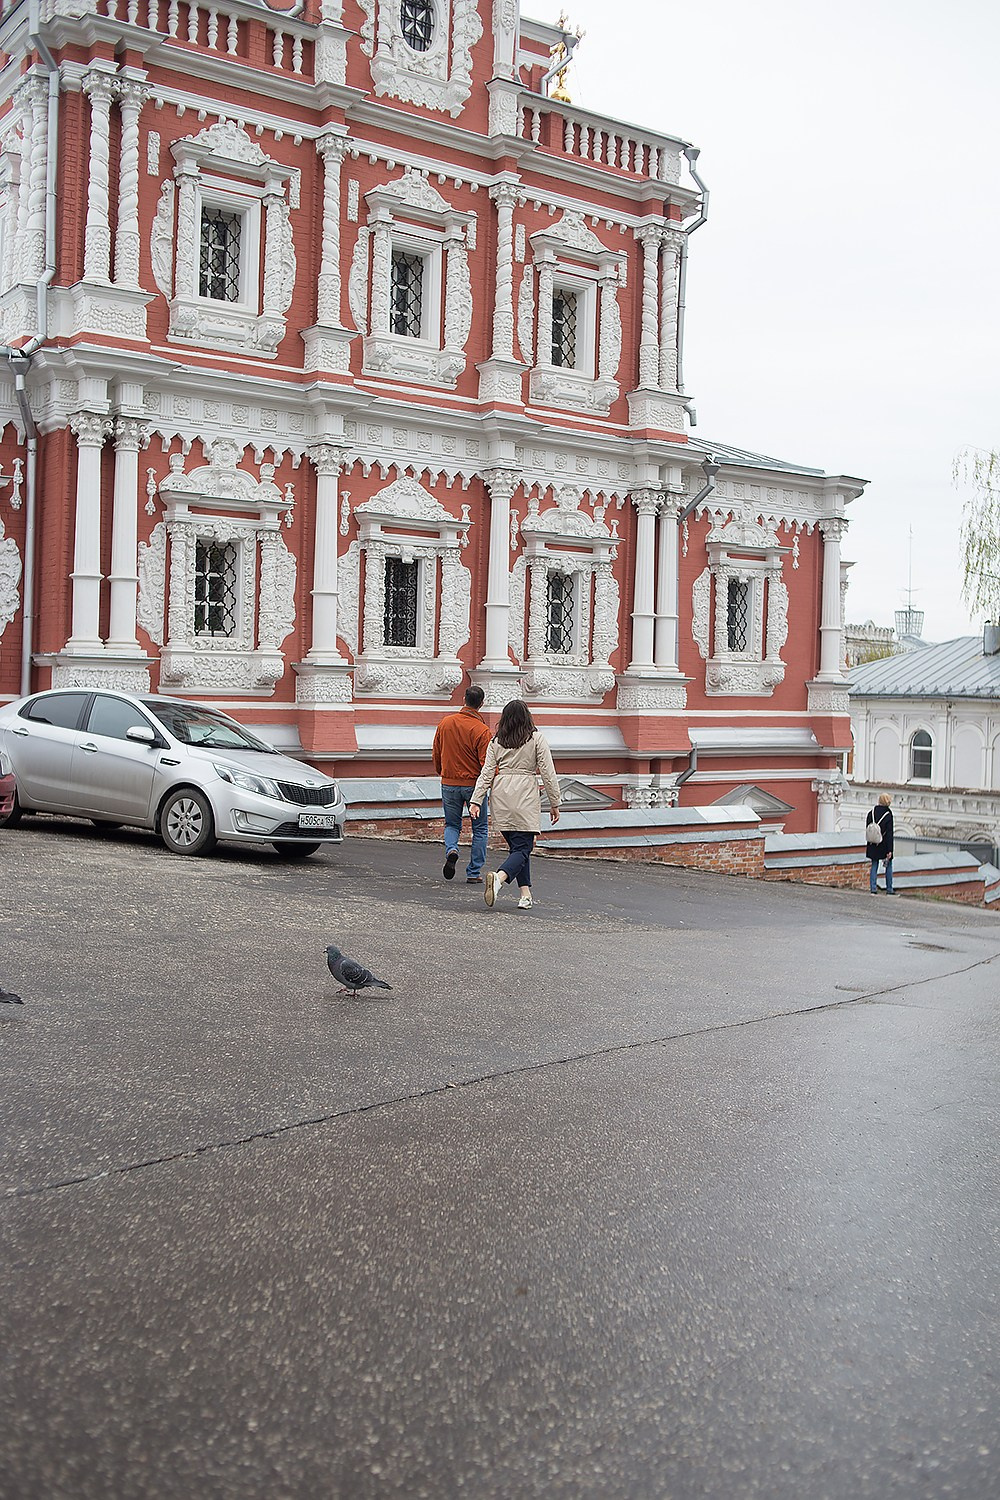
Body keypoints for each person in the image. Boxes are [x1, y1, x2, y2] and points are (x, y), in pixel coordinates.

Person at [470, 699, 560, 911]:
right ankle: (499, 879)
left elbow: (486, 772)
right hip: (525, 794)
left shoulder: (496, 741)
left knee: (518, 849)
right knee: (523, 848)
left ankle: (525, 894)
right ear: (527, 717)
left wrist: (476, 800)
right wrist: (554, 802)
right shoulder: (536, 738)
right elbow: (548, 772)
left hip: (501, 794)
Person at [432, 685, 492, 884]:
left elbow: (436, 752)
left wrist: (442, 771)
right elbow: (487, 764)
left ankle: (452, 849)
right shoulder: (482, 731)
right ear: (481, 704)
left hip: (449, 782)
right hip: (474, 785)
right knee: (480, 828)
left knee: (451, 824)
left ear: (464, 700)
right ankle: (473, 872)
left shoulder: (446, 723)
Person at [866, 792, 896, 894]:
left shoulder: (872, 812)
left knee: (874, 864)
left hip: (872, 843)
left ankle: (873, 888)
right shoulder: (888, 814)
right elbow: (889, 834)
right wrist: (890, 850)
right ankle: (889, 889)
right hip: (883, 844)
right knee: (888, 865)